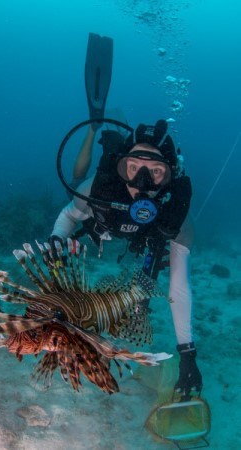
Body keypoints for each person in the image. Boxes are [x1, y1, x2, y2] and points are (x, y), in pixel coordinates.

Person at [49, 118, 203, 401]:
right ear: (120, 165)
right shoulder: (99, 188)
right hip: (103, 224)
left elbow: (179, 288)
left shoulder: (177, 221)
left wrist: (187, 354)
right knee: (74, 184)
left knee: (144, 290)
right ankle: (95, 127)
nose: (141, 183)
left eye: (155, 172)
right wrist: (58, 238)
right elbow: (69, 214)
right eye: (133, 168)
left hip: (146, 240)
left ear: (170, 176)